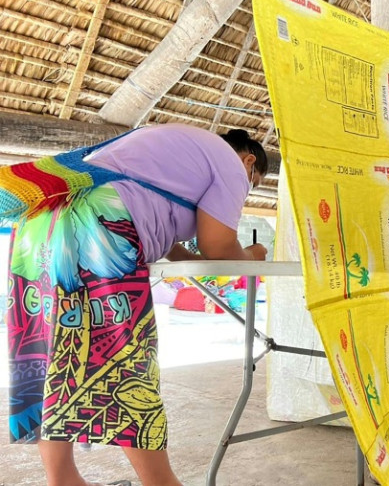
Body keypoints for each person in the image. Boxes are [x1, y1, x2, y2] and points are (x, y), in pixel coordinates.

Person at [6, 124, 269, 486]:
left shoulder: (174, 148)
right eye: (252, 183)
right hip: (97, 225)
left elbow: (169, 237)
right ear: (250, 161)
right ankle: (160, 481)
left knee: (53, 353)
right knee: (122, 359)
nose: (244, 190)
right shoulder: (229, 161)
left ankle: (62, 477)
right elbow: (219, 247)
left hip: (43, 219)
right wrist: (253, 257)